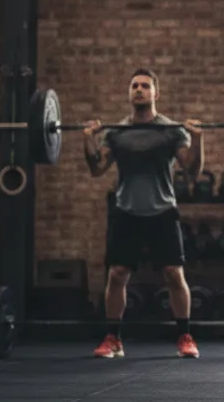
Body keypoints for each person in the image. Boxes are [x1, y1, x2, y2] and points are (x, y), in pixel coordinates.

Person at [83, 68, 203, 359]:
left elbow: (192, 170)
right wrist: (88, 141)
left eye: (145, 86)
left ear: (155, 94)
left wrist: (198, 139)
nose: (139, 90)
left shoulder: (171, 129)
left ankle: (185, 336)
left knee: (174, 274)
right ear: (129, 93)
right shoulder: (117, 132)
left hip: (162, 210)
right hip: (127, 211)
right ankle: (113, 338)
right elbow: (97, 168)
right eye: (134, 85)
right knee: (117, 274)